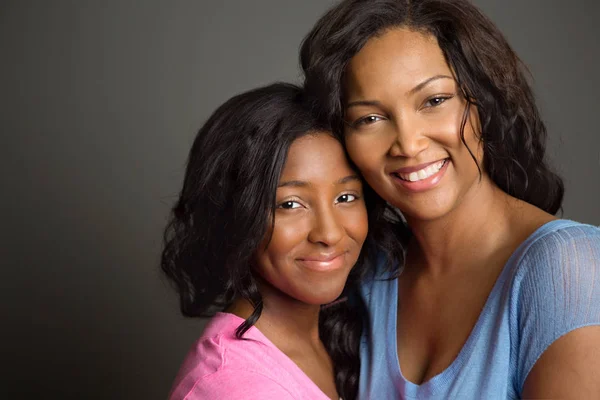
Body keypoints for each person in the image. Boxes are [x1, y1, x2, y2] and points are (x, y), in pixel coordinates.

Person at [300, 0, 600, 398]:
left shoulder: (568, 269)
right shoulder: (369, 271)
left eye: (434, 101)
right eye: (370, 118)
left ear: (483, 102)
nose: (408, 143)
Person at [161, 83, 405, 399]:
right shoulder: (233, 387)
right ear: (236, 216)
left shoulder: (347, 335)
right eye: (290, 204)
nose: (329, 234)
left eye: (345, 197)